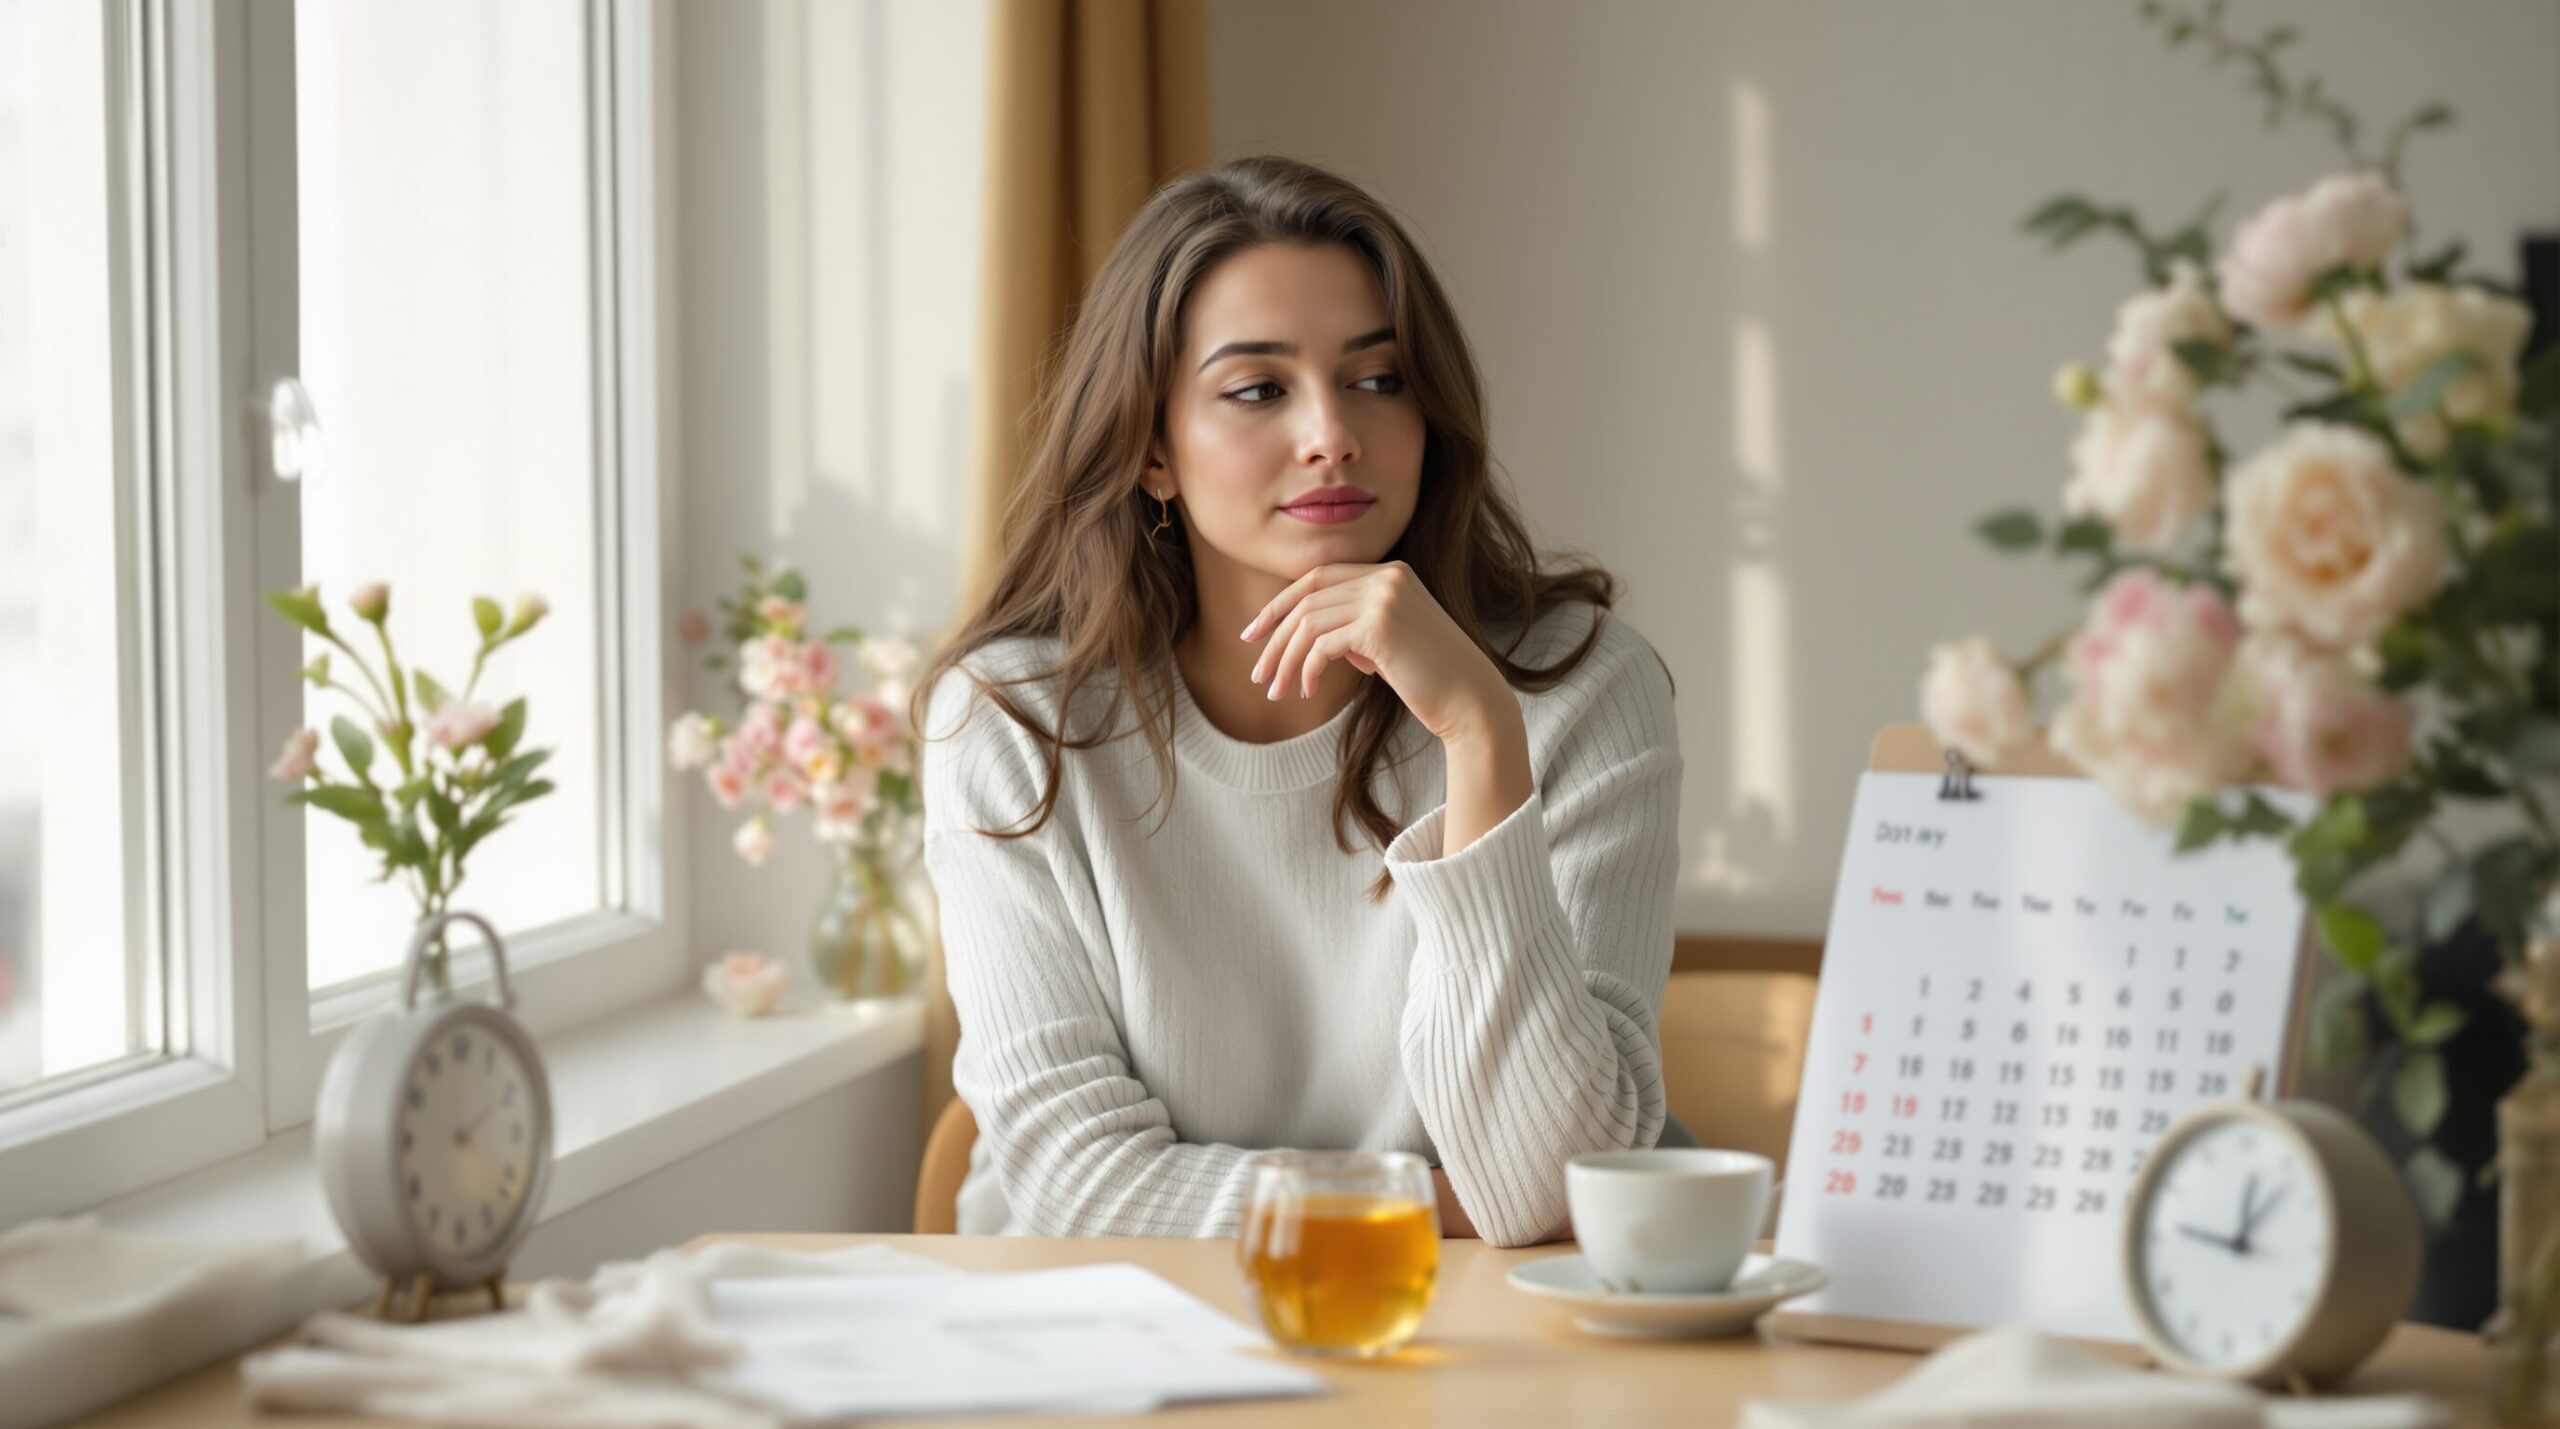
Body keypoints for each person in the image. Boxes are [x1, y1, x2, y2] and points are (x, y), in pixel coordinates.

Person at [911, 155, 1685, 1248]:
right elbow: (1075, 1190)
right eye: (1257, 389)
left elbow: (1558, 1183)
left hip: (1478, 1352)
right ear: (1149, 448)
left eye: (1378, 379)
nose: (1332, 432)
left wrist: (1478, 737)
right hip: (1112, 1341)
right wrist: (1441, 1208)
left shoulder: (1579, 689)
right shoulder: (1011, 721)